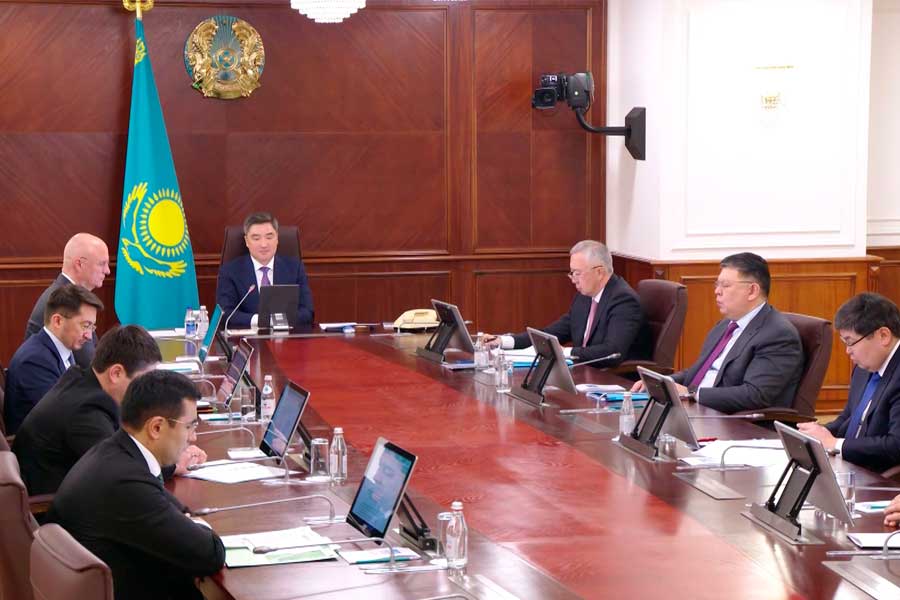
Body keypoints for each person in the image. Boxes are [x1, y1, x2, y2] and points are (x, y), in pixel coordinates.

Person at [47, 370, 225, 600]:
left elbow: (176, 509)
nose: (193, 438)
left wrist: (187, 522)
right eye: (189, 426)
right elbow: (210, 554)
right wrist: (194, 525)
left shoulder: (115, 451)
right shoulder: (125, 482)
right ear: (156, 427)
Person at [13, 325, 208, 494]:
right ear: (116, 373)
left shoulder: (82, 381)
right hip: (54, 510)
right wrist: (171, 464)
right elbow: (121, 468)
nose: (148, 389)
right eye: (143, 380)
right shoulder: (86, 411)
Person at [633, 252, 803, 414]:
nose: (717, 291)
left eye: (725, 285)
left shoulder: (778, 335)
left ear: (752, 291)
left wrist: (692, 394)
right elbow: (698, 372)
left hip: (730, 420)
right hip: (696, 409)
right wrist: (663, 383)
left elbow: (755, 394)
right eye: (717, 285)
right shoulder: (725, 325)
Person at [485, 240, 651, 367]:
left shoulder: (623, 301)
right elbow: (550, 334)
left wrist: (564, 352)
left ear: (599, 272)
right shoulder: (584, 296)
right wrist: (503, 341)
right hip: (584, 372)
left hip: (613, 380)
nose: (573, 280)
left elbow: (612, 352)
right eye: (572, 273)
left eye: (577, 273)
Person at [798, 293, 900, 473]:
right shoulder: (863, 369)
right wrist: (816, 435)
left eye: (850, 342)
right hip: (849, 467)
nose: (847, 351)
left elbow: (895, 445)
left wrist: (835, 444)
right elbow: (849, 418)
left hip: (880, 478)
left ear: (883, 336)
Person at [4, 284, 103, 434]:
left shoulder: (62, 350)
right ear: (57, 321)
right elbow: (62, 417)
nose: (89, 336)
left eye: (92, 327)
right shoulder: (34, 361)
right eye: (85, 326)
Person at [216, 212, 314, 329]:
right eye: (256, 238)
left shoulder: (295, 268)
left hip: (287, 336)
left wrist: (278, 320)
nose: (263, 244)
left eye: (269, 237)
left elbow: (308, 312)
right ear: (247, 241)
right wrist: (260, 320)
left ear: (277, 238)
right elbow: (225, 313)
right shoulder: (230, 271)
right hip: (248, 337)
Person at [24, 233, 110, 367]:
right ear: (79, 264)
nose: (107, 271)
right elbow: (91, 366)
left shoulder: (66, 294)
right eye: (102, 264)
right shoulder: (64, 300)